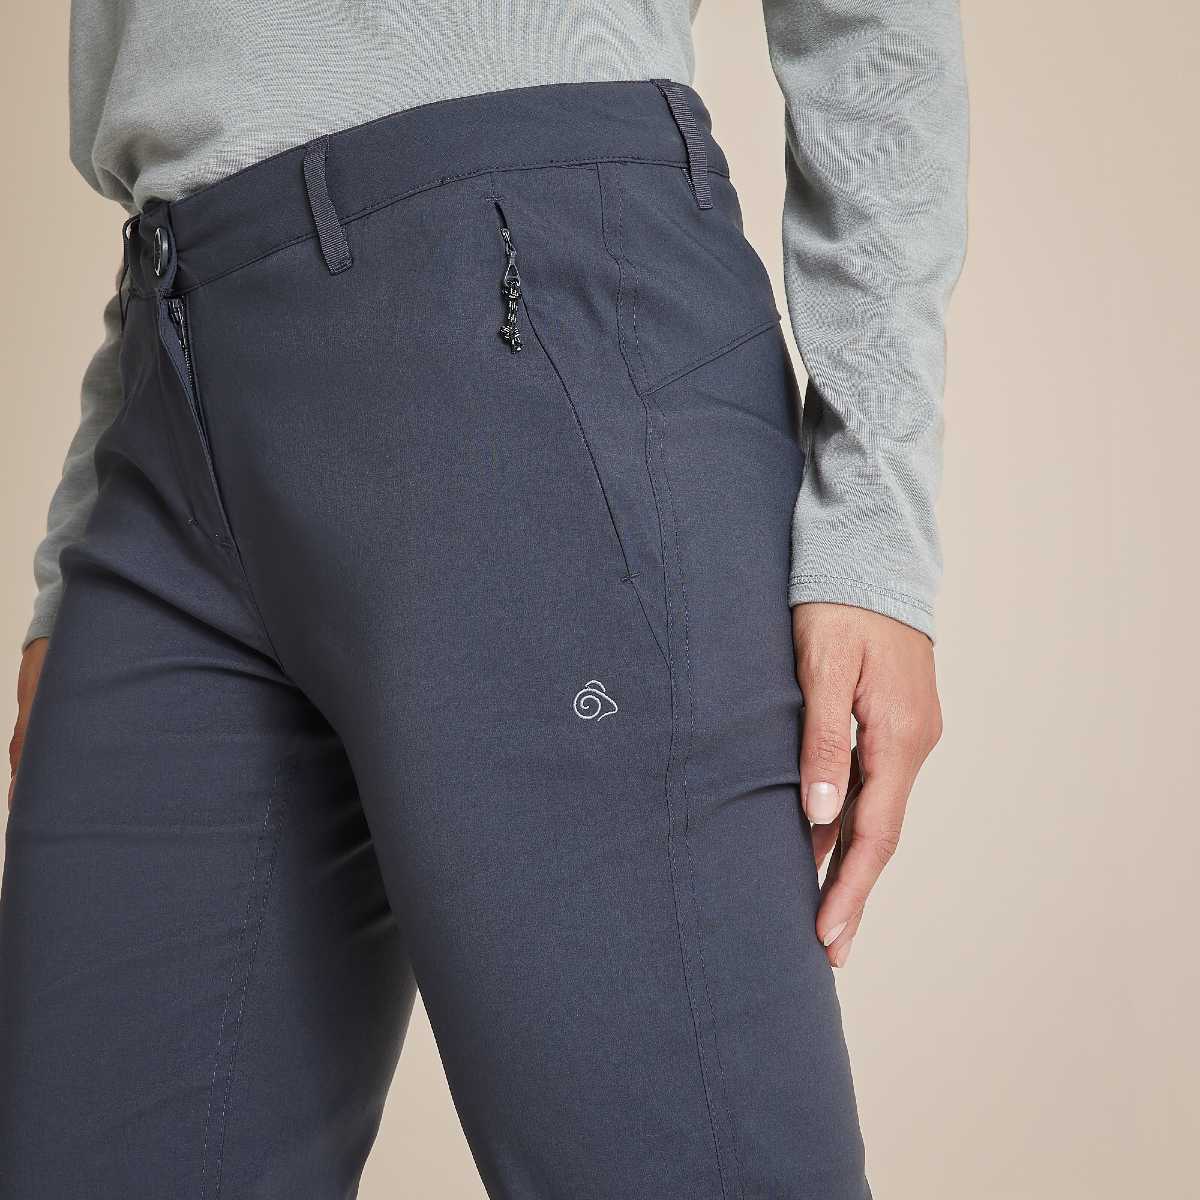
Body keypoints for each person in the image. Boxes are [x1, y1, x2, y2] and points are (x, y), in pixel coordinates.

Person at [0, 2, 966, 1196]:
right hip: (166, 381)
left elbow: (871, 26)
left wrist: (875, 522)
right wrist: (76, 553)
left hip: (520, 317)